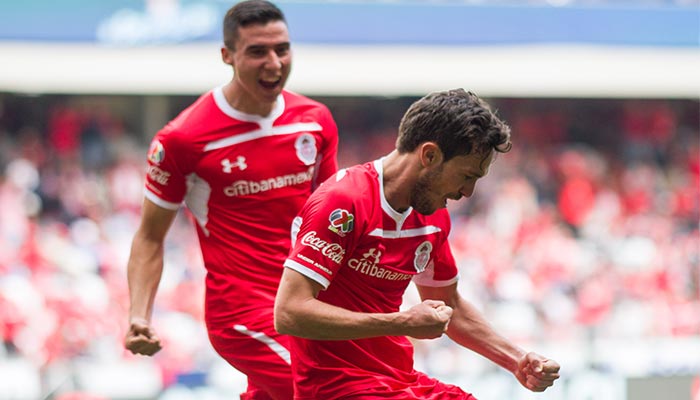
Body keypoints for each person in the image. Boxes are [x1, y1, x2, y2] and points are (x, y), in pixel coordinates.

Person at [274, 89, 560, 399]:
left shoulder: (434, 217)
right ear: (430, 155)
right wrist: (403, 322)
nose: (467, 192)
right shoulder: (344, 202)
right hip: (337, 388)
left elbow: (449, 305)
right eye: (466, 175)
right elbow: (289, 312)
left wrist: (515, 358)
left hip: (398, 380)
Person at [123, 1, 338, 399]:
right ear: (227, 55)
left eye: (282, 49)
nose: (274, 63)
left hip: (306, 304)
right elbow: (150, 237)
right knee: (331, 390)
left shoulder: (315, 120)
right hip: (244, 315)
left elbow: (328, 218)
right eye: (258, 52)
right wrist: (139, 315)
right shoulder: (183, 139)